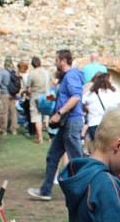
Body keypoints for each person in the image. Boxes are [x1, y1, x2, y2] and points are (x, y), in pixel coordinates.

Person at [28, 49, 86, 201]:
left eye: (56, 59)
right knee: (52, 156)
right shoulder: (66, 77)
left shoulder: (72, 75)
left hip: (71, 121)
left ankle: (86, 191)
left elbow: (75, 98)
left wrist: (59, 113)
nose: (55, 62)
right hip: (65, 122)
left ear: (62, 60)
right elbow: (64, 96)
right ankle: (45, 190)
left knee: (76, 159)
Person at [83, 72, 120, 142]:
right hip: (110, 124)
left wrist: (87, 109)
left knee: (97, 148)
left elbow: (82, 102)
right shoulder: (115, 93)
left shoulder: (91, 94)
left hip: (94, 123)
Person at [26, 57, 50, 144]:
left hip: (36, 95)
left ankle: (40, 138)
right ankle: (51, 136)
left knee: (37, 117)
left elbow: (28, 88)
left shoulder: (32, 74)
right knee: (47, 116)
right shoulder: (46, 72)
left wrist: (28, 94)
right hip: (47, 95)